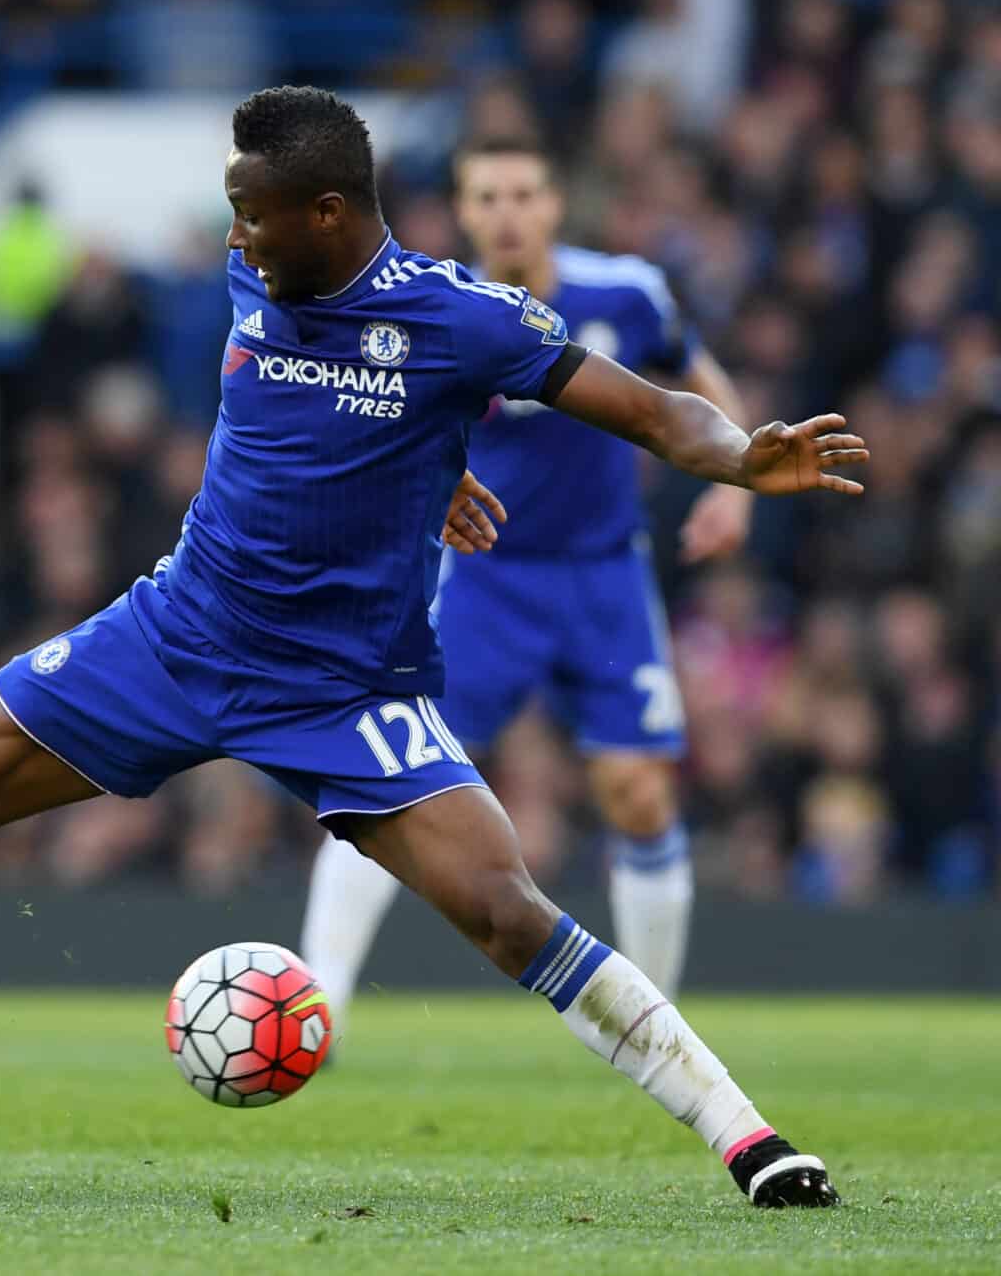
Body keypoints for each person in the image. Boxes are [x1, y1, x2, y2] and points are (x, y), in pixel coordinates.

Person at [0, 89, 863, 1209]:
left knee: (503, 908)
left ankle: (745, 1138)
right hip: (179, 632)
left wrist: (736, 457)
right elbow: (309, 433)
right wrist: (422, 472)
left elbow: (649, 408)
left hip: (344, 683)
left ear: (324, 210)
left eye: (251, 213)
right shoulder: (257, 270)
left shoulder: (460, 318)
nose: (232, 236)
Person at [302, 134, 754, 1023]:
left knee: (638, 790)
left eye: (523, 194)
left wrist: (736, 485)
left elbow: (696, 378)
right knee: (389, 774)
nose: (507, 213)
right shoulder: (438, 312)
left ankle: (654, 1020)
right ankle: (324, 996)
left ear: (553, 204)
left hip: (603, 579)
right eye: (487, 198)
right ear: (464, 213)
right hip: (483, 581)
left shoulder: (624, 294)